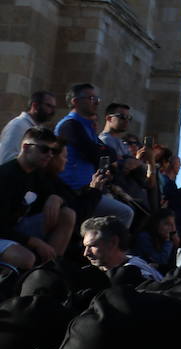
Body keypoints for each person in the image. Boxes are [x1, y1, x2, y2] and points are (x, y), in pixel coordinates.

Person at [54, 83, 134, 227]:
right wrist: (108, 156)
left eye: (96, 98)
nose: (96, 102)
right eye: (91, 98)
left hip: (87, 189)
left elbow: (106, 152)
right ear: (75, 101)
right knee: (124, 213)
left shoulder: (85, 126)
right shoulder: (70, 125)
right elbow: (93, 152)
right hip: (73, 190)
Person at [0, 127, 78, 269]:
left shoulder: (37, 173)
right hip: (2, 232)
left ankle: (49, 271)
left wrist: (56, 198)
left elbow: (70, 198)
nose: (49, 155)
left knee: (67, 214)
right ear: (26, 147)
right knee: (25, 258)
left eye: (53, 151)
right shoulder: (5, 176)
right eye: (44, 149)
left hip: (16, 228)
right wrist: (34, 241)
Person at [80, 215, 162, 282]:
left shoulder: (136, 276)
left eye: (92, 245)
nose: (86, 253)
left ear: (113, 242)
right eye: (85, 247)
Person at [0, 90, 57, 163]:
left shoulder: (35, 127)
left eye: (53, 107)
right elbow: (6, 160)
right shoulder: (18, 125)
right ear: (35, 106)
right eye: (48, 106)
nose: (52, 111)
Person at [133, 208, 179, 274]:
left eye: (173, 224)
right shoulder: (144, 237)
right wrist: (167, 242)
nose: (173, 228)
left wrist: (175, 246)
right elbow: (160, 261)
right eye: (167, 224)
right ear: (156, 223)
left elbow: (171, 267)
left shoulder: (169, 238)